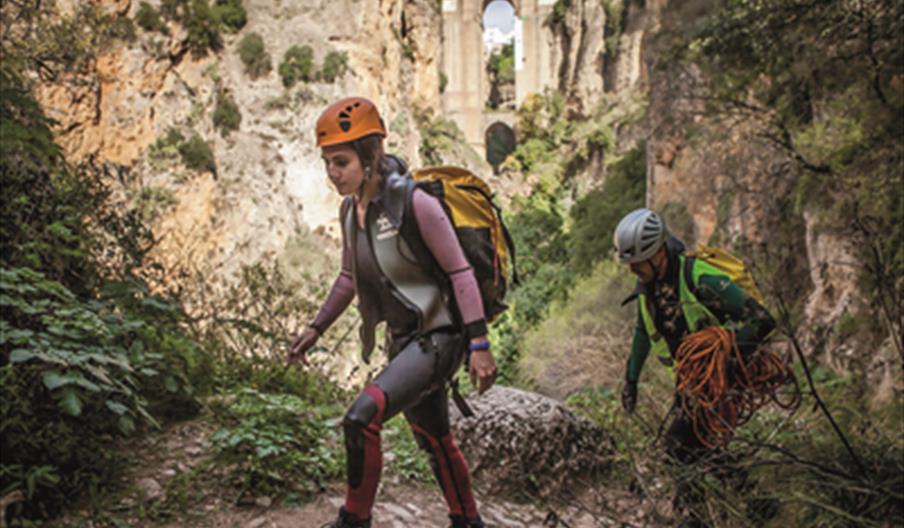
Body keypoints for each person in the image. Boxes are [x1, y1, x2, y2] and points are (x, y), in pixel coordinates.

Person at [287, 97, 495, 528]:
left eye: (341, 162)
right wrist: (315, 328)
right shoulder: (351, 212)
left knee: (361, 418)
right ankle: (468, 521)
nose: (332, 173)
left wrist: (479, 345)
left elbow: (459, 272)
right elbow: (348, 278)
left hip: (440, 338)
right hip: (404, 343)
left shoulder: (415, 204)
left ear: (372, 155)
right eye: (327, 163)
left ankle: (353, 522)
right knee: (434, 438)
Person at [614, 208, 775, 527]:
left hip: (717, 376)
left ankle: (697, 517)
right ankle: (754, 501)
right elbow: (643, 332)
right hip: (691, 379)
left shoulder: (700, 278)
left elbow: (762, 321)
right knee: (693, 446)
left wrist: (722, 356)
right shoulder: (651, 288)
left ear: (658, 253)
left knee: (678, 444)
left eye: (637, 262)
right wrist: (630, 380)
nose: (632, 270)